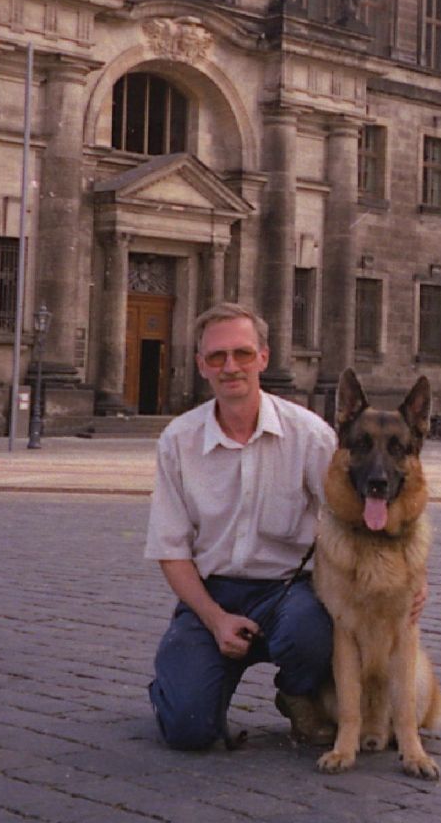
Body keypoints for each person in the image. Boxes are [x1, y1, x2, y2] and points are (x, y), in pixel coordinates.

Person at [145, 302, 339, 750]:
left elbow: (351, 524)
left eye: (242, 354)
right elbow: (171, 549)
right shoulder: (179, 441)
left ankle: (297, 691)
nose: (230, 367)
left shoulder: (311, 436)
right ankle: (178, 688)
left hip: (291, 592)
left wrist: (411, 582)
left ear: (264, 358)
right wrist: (214, 620)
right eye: (217, 357)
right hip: (213, 593)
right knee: (188, 731)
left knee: (314, 632)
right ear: (201, 366)